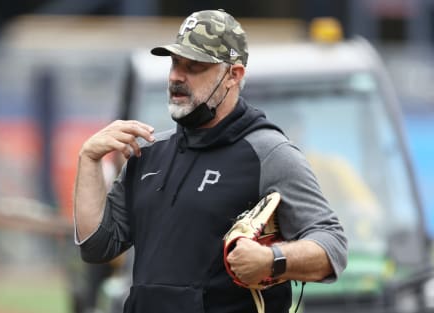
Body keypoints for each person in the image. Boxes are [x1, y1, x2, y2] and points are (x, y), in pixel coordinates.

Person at [74, 9, 348, 313]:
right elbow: (97, 247)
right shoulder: (149, 153)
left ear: (233, 75)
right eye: (175, 63)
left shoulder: (268, 153)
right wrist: (89, 159)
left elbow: (333, 246)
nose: (177, 76)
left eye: (194, 66)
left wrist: (272, 261)